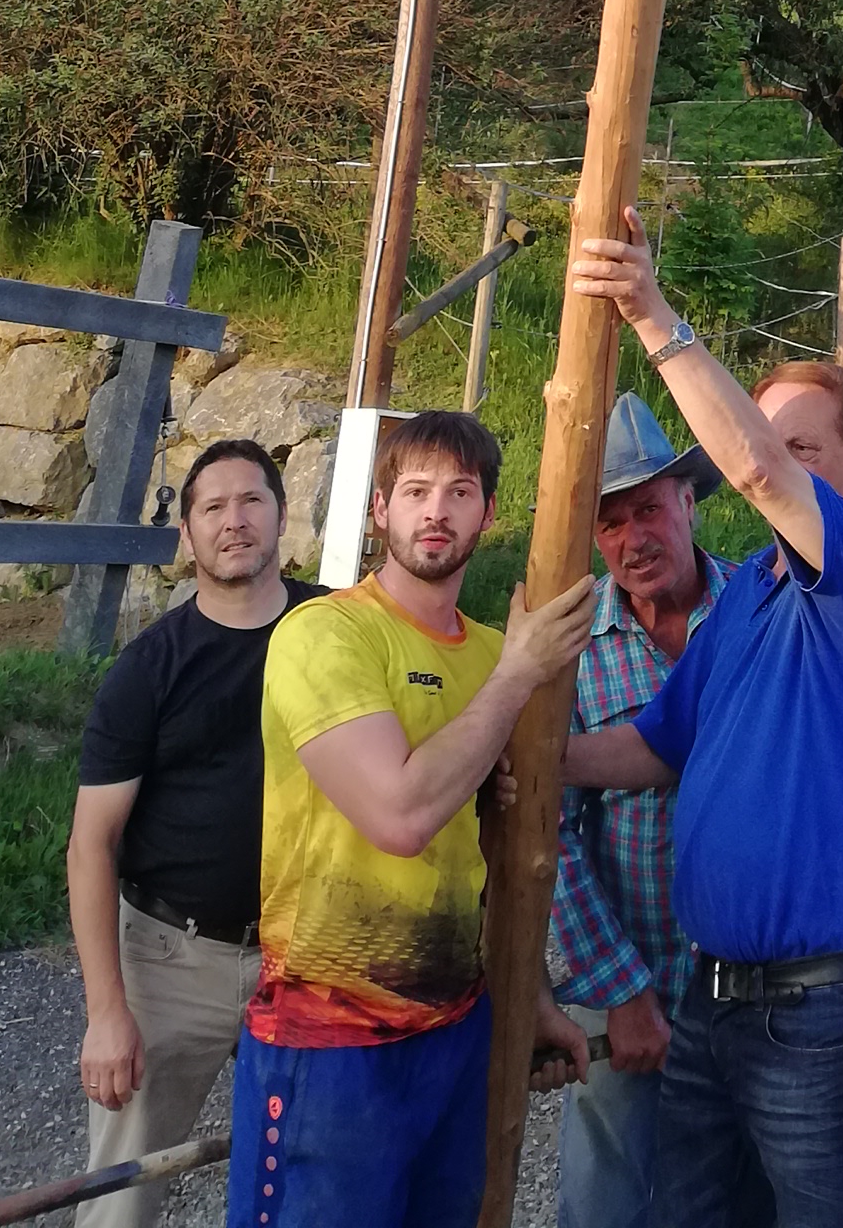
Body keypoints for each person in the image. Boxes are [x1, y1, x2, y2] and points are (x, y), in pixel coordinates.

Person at [566, 211, 843, 1228]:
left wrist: (650, 311)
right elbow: (650, 747)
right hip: (711, 1003)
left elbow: (760, 472)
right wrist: (524, 751)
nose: (778, 462)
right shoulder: (742, 605)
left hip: (819, 1012)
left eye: (803, 444)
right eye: (772, 438)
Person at [234, 405, 598, 1228]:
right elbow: (399, 816)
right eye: (416, 491)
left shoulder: (495, 653)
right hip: (329, 1036)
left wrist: (531, 997)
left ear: (489, 514)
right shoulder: (325, 635)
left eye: (460, 492)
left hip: (455, 1029)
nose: (437, 511)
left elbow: (505, 851)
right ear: (380, 510)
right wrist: (518, 678)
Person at [68, 437, 315, 1228]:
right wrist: (107, 1012)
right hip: (174, 957)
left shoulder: (338, 631)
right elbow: (91, 844)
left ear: (282, 516)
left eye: (251, 501)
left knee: (321, 1175)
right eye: (212, 507)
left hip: (311, 950)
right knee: (120, 1198)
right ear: (188, 534)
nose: (234, 521)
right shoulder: (148, 669)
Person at [548, 391, 732, 1228]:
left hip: (753, 985)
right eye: (611, 523)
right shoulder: (569, 647)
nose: (633, 540)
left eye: (649, 510)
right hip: (629, 971)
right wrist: (621, 990)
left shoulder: (756, 613)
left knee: (732, 1190)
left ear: (689, 501)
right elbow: (550, 831)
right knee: (607, 1197)